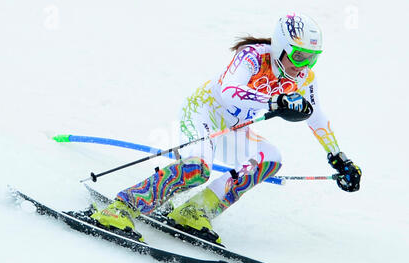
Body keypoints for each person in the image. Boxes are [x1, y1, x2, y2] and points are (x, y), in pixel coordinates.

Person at [89, 12, 362, 244]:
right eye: (300, 55)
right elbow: (230, 91)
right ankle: (121, 207)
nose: (304, 65)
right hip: (203, 112)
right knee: (197, 169)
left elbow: (315, 116)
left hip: (234, 127)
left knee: (271, 158)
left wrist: (339, 158)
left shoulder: (304, 77)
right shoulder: (253, 57)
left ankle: (195, 211)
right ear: (280, 47)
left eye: (312, 58)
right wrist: (274, 101)